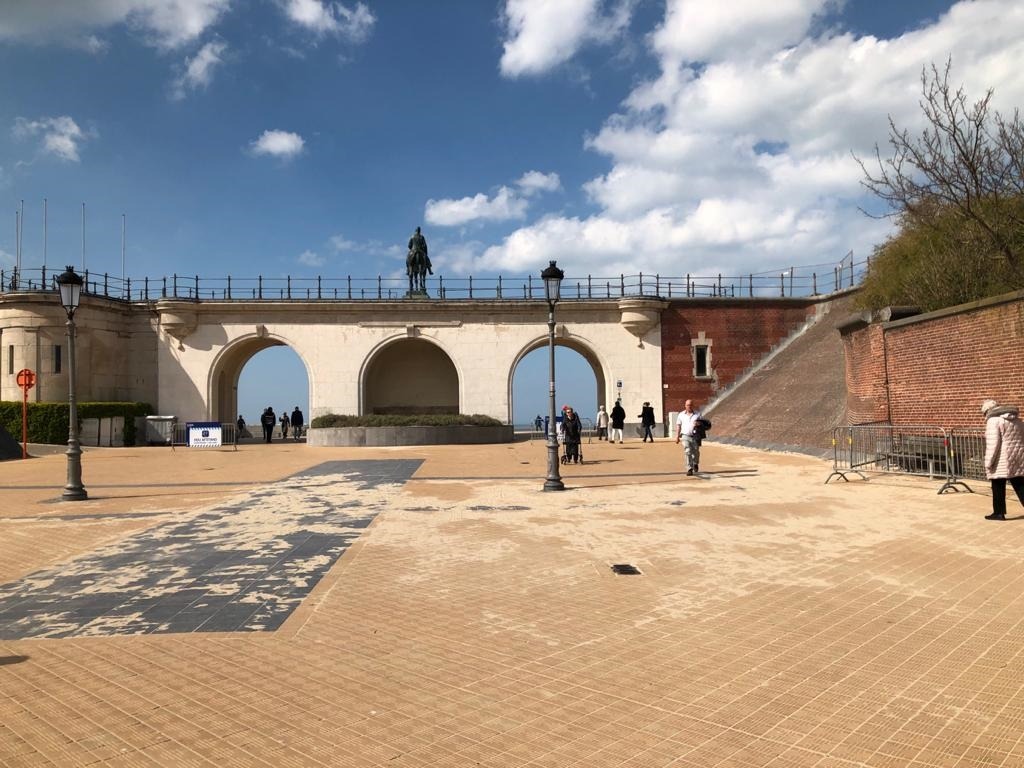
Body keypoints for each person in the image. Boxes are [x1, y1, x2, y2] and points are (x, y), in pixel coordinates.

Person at [982, 398, 1024, 520]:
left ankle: (998, 513)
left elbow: (993, 444)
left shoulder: (993, 421)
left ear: (987, 411)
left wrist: (988, 462)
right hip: (1017, 456)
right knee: (1020, 484)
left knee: (998, 486)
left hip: (1001, 459)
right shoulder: (1017, 420)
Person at [675, 399, 702, 475]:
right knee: (688, 451)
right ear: (685, 405)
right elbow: (678, 426)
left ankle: (695, 463)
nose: (689, 406)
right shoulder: (681, 415)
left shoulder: (698, 414)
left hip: (695, 436)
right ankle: (689, 468)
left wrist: (698, 424)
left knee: (696, 452)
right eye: (687, 405)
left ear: (693, 406)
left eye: (690, 405)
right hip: (685, 436)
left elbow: (702, 424)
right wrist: (677, 436)